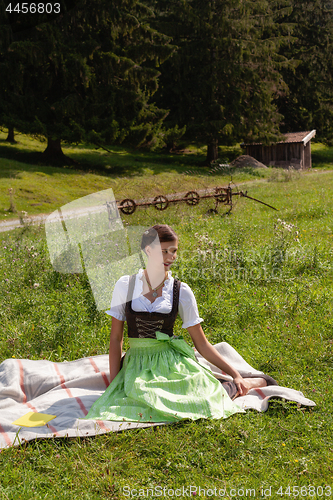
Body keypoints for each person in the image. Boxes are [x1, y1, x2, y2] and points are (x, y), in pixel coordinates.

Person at [85, 224, 267, 423]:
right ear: (148, 250)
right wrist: (114, 384)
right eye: (164, 251)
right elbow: (116, 338)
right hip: (138, 362)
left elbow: (201, 343)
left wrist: (235, 374)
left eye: (174, 251)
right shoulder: (125, 285)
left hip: (170, 361)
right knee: (138, 400)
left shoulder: (181, 291)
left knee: (201, 399)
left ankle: (245, 383)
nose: (171, 257)